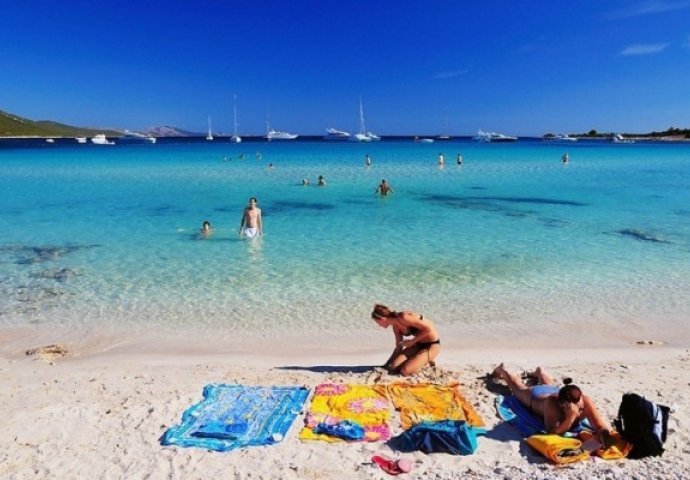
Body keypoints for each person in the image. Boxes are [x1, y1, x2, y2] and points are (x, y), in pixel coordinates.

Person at [491, 363, 613, 444]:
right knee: (517, 387)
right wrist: (570, 417)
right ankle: (503, 370)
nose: (579, 409)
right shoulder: (552, 403)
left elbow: (601, 425)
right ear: (562, 404)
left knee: (549, 385)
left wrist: (603, 435)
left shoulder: (585, 401)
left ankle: (539, 372)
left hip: (556, 391)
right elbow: (551, 432)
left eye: (580, 406)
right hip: (535, 396)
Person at [371, 304, 441, 376]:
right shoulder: (395, 327)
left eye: (378, 322)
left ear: (382, 319)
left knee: (405, 371)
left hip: (432, 345)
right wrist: (385, 365)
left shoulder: (404, 317)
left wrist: (412, 341)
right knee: (393, 367)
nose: (379, 325)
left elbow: (428, 329)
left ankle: (426, 362)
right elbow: (398, 348)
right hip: (418, 346)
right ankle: (419, 360)